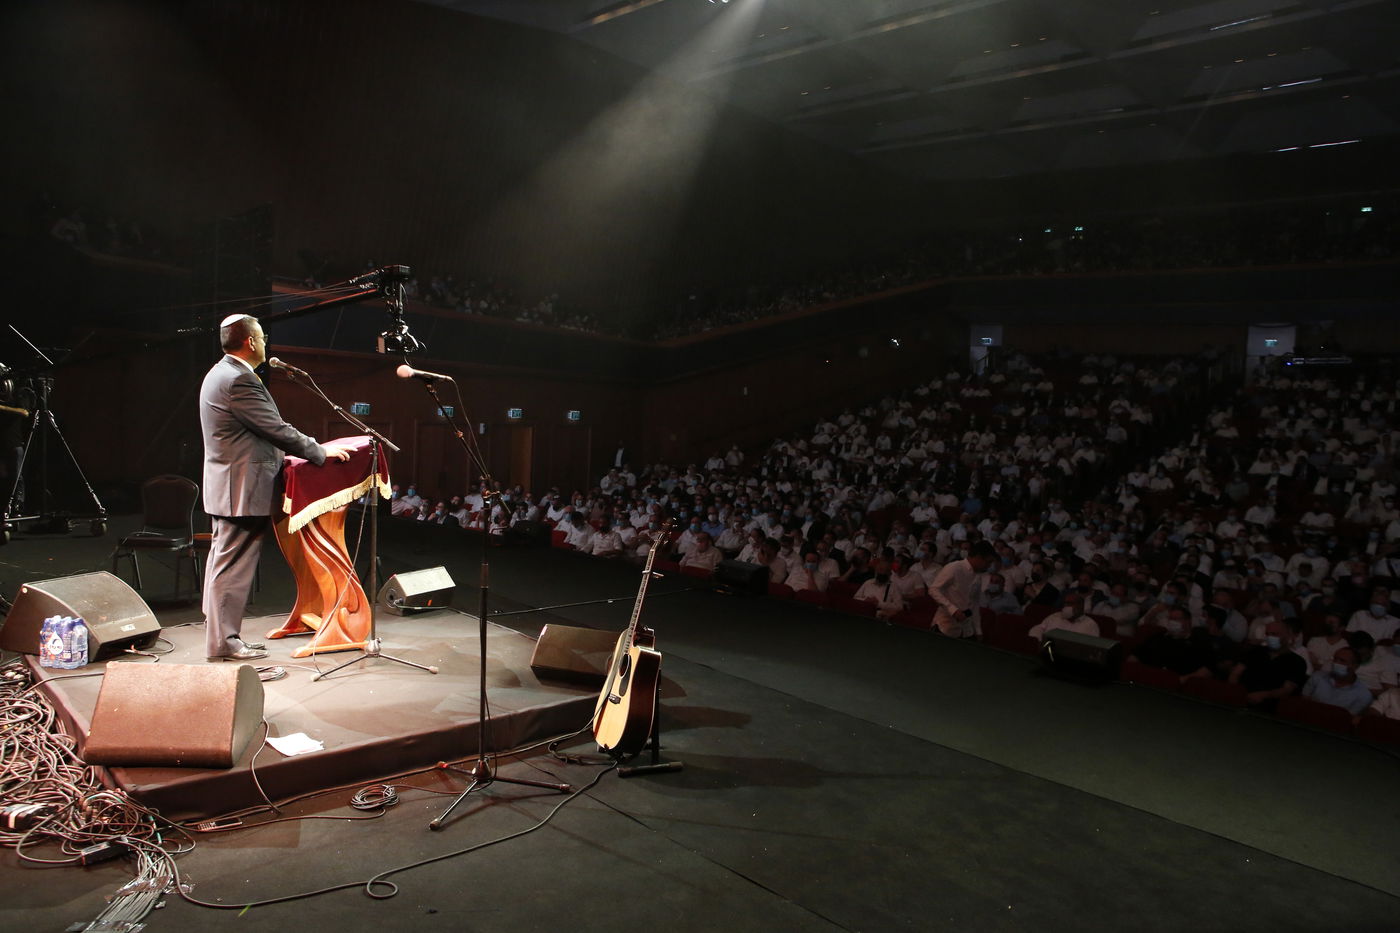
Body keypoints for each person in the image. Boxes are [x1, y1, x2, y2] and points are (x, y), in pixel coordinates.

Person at [200, 314, 350, 661]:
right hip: (241, 489)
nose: (266, 343)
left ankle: (220, 633)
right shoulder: (239, 379)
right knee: (232, 567)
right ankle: (224, 643)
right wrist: (318, 450)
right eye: (262, 337)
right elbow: (275, 428)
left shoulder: (218, 373)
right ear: (250, 342)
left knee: (223, 562)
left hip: (229, 485)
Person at [928, 540, 995, 638]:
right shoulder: (955, 567)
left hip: (966, 629)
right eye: (988, 562)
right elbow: (933, 590)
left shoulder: (978, 576)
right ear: (979, 558)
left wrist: (978, 630)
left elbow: (975, 604)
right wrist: (953, 610)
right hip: (945, 626)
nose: (989, 566)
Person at [1301, 647, 1372, 717]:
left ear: (1355, 666)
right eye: (1335, 659)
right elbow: (1303, 701)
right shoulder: (1317, 677)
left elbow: (1348, 719)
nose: (1336, 663)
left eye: (1342, 661)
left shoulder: (1363, 695)